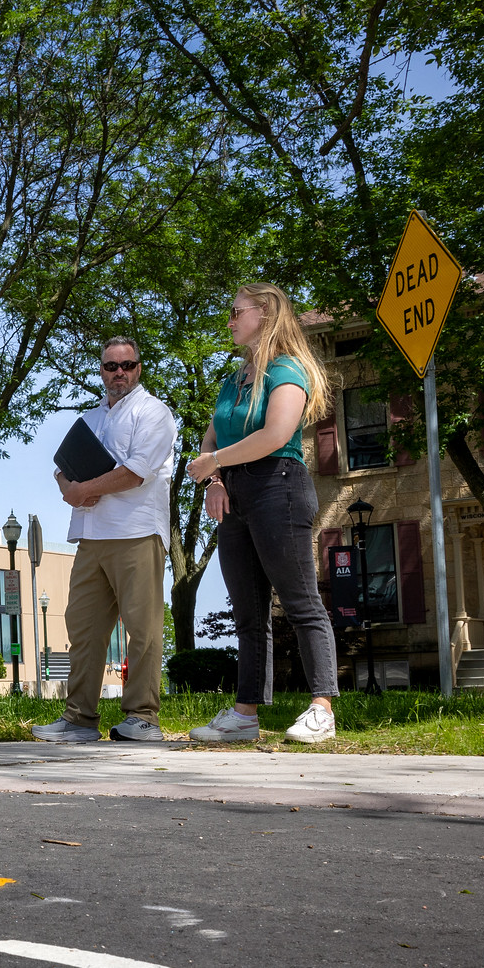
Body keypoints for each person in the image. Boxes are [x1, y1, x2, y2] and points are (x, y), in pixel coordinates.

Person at [184, 283, 339, 745]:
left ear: (266, 315)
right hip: (235, 494)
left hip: (279, 486)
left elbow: (275, 434)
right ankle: (245, 714)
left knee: (300, 602)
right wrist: (214, 480)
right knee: (248, 614)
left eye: (237, 311)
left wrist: (215, 463)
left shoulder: (287, 369)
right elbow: (212, 438)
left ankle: (322, 707)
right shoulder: (233, 380)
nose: (230, 320)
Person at [33, 337, 179, 745]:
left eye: (127, 365)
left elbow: (135, 472)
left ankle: (143, 717)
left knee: (143, 629)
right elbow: (61, 466)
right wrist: (69, 488)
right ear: (101, 370)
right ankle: (79, 720)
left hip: (137, 532)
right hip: (91, 535)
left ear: (139, 367)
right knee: (83, 627)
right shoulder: (90, 418)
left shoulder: (154, 413)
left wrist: (85, 487)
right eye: (111, 366)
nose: (119, 372)